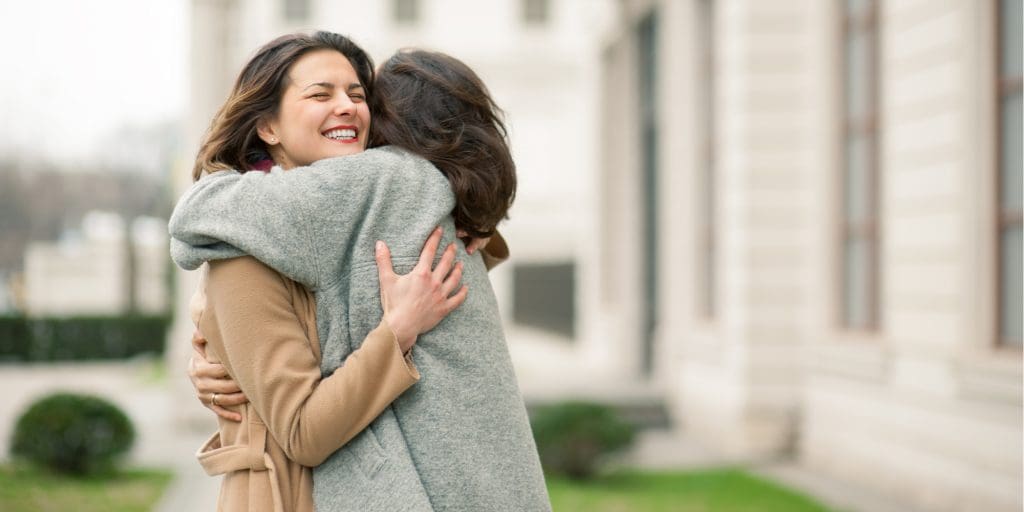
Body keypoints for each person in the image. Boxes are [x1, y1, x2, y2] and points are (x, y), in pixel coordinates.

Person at [171, 31, 550, 512]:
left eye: (357, 94)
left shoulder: (358, 219)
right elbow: (302, 431)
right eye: (319, 94)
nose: (348, 106)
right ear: (268, 126)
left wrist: (474, 217)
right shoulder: (243, 257)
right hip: (288, 495)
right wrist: (398, 330)